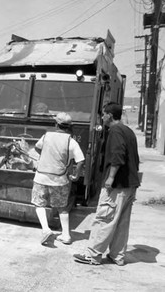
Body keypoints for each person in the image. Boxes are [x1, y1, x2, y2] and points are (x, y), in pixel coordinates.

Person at [73, 102, 140, 266]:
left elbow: (118, 155)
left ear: (109, 115)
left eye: (103, 114)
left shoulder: (115, 131)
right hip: (129, 185)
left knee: (104, 219)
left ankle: (93, 255)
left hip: (117, 186)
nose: (102, 117)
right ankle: (117, 255)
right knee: (121, 223)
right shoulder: (128, 131)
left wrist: (110, 178)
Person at [32, 112, 85, 246]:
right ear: (69, 126)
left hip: (41, 177)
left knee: (39, 204)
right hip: (60, 179)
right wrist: (76, 175)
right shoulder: (71, 141)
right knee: (62, 208)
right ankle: (66, 235)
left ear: (56, 124)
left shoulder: (47, 136)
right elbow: (80, 161)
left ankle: (46, 230)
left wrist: (44, 157)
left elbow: (37, 148)